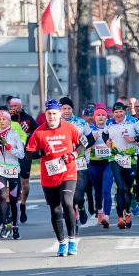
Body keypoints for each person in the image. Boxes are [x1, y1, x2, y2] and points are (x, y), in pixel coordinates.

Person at [27, 100, 85, 256]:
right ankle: (61, 243)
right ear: (45, 115)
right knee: (55, 209)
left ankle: (72, 240)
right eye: (49, 114)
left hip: (68, 172)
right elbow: (29, 154)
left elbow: (83, 144)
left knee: (67, 202)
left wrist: (73, 154)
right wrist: (42, 152)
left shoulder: (69, 128)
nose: (51, 117)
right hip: (49, 175)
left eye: (54, 114)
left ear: (59, 114)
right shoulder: (39, 132)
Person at [0, 108, 26, 239]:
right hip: (1, 170)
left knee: (14, 199)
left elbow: (21, 154)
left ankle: (15, 226)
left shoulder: (15, 135)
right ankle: (6, 224)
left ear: (9, 121)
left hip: (14, 170)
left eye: (4, 119)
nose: (1, 121)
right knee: (3, 197)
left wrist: (10, 148)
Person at [9, 97, 37, 224]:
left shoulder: (28, 119)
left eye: (16, 106)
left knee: (25, 183)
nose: (14, 108)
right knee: (12, 182)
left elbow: (37, 132)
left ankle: (23, 204)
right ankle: (11, 207)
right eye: (12, 106)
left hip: (25, 154)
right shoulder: (6, 118)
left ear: (21, 106)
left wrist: (30, 140)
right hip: (10, 154)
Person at [84, 106, 113, 226]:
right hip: (94, 164)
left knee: (107, 189)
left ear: (106, 117)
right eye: (98, 115)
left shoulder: (110, 128)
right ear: (94, 117)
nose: (101, 117)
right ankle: (100, 210)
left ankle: (107, 215)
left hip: (108, 163)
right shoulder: (89, 129)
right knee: (98, 190)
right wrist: (92, 139)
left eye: (103, 115)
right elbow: (83, 145)